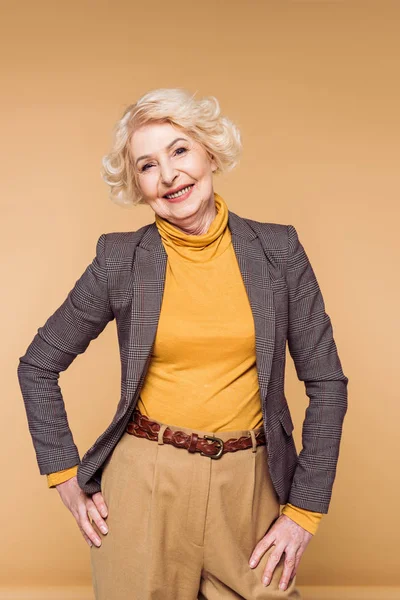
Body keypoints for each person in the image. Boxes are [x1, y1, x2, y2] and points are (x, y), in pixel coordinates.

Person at [17, 88, 349, 599]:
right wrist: (63, 474)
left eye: (179, 150)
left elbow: (327, 384)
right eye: (147, 165)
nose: (169, 174)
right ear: (138, 185)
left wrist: (304, 510)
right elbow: (38, 364)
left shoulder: (279, 252)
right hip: (144, 486)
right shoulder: (119, 261)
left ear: (210, 152)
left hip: (253, 489)